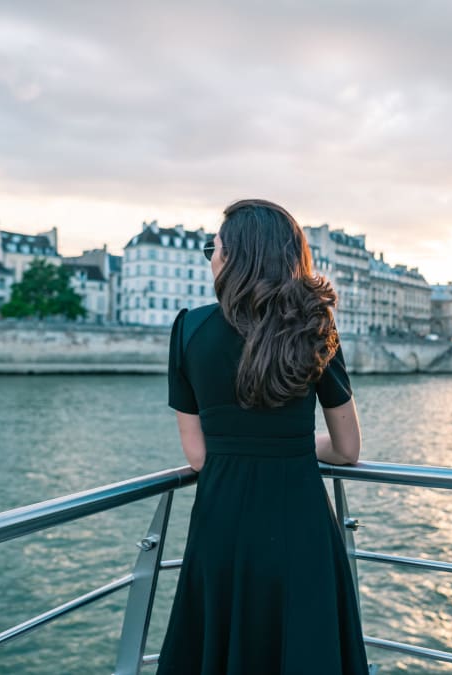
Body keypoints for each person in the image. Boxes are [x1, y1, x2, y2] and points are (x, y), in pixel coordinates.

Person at [157, 199, 368, 674]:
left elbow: (197, 457)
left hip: (222, 525)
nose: (210, 256)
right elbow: (347, 449)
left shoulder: (188, 329)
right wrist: (289, 444)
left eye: (213, 247)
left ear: (231, 256)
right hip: (301, 523)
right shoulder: (314, 325)